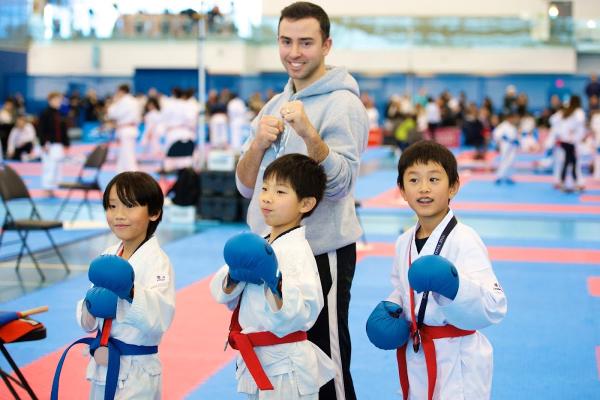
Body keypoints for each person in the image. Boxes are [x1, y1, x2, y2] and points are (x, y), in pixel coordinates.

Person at [235, 3, 369, 399]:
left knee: (326, 361)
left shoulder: (344, 104)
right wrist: (258, 143)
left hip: (320, 251)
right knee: (277, 357)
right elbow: (245, 186)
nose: (294, 52)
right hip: (268, 251)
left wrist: (311, 135)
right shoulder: (273, 106)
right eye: (286, 41)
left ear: (326, 45)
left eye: (306, 42)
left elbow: (343, 185)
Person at [366, 140, 507, 400]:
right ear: (401, 190)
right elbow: (403, 286)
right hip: (417, 351)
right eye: (414, 180)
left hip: (458, 358)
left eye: (433, 179)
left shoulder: (465, 238)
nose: (424, 188)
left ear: (453, 186)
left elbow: (494, 305)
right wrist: (390, 305)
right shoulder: (403, 241)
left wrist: (454, 287)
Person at [211, 154, 336, 399]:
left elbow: (305, 312)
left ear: (306, 204)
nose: (267, 197)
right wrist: (234, 276)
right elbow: (222, 295)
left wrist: (275, 282)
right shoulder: (260, 244)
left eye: (280, 192)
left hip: (287, 366)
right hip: (257, 358)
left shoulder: (298, 252)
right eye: (265, 188)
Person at [52, 171, 176, 399]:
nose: (118, 215)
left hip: (138, 370)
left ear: (154, 212)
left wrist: (129, 292)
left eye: (129, 206)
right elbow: (88, 323)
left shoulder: (158, 261)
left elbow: (160, 318)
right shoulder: (108, 255)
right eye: (111, 206)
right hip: (102, 364)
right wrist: (91, 305)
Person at [38, 92, 70, 197]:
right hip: (49, 145)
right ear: (50, 100)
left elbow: (64, 130)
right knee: (49, 167)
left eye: (60, 100)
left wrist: (66, 143)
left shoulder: (60, 114)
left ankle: (52, 189)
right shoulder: (45, 113)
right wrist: (43, 144)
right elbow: (41, 130)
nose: (59, 102)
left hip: (58, 145)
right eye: (56, 100)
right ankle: (46, 188)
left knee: (57, 168)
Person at [107, 84, 141, 172]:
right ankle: (121, 172)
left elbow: (112, 114)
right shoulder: (134, 100)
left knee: (127, 154)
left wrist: (114, 102)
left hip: (125, 129)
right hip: (131, 128)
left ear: (121, 91)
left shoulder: (123, 101)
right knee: (124, 154)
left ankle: (133, 174)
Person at [492, 111, 520, 184]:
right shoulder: (503, 125)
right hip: (505, 145)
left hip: (512, 146)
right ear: (509, 118)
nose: (514, 120)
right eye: (513, 118)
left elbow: (515, 136)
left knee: (511, 161)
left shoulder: (513, 126)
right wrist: (504, 138)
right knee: (504, 160)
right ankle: (499, 177)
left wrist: (516, 141)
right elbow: (496, 134)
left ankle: (509, 177)